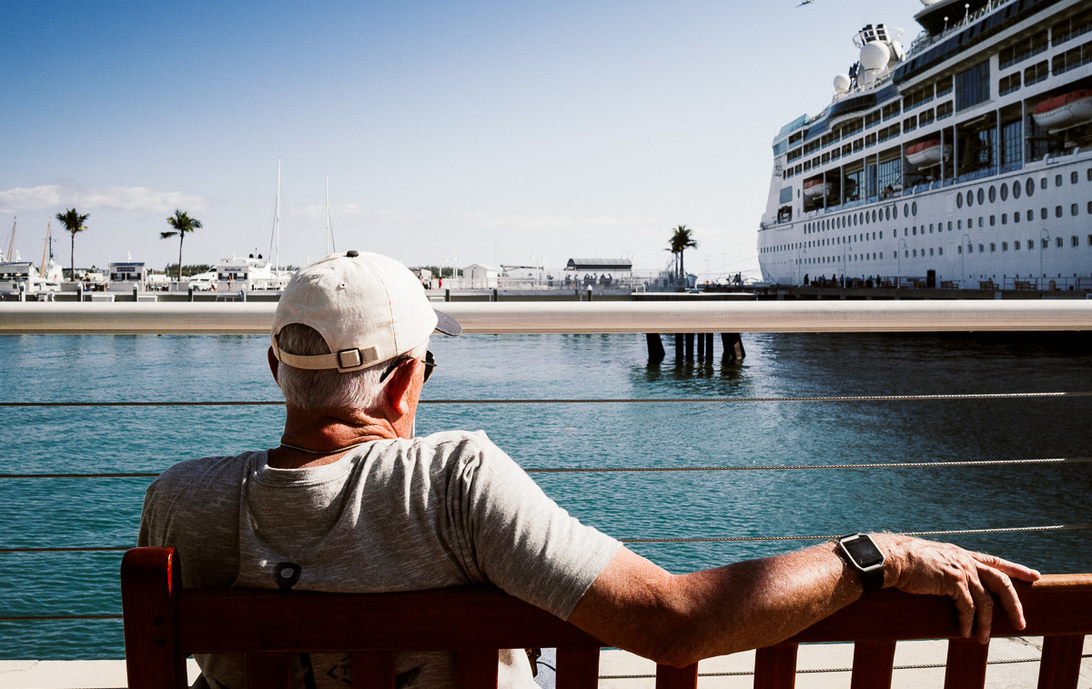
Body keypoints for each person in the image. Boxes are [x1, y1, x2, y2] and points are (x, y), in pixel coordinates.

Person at [139, 250, 1040, 689]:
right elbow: (675, 624)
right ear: (408, 380)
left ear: (277, 369)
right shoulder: (454, 481)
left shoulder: (181, 498)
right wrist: (878, 554)